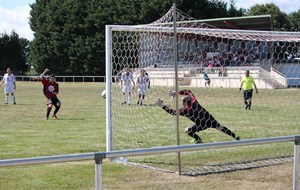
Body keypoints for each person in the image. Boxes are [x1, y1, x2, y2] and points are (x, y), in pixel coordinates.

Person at [157, 89, 240, 144]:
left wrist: (163, 106)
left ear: (185, 103)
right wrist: (178, 92)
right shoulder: (194, 102)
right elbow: (189, 91)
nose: (181, 102)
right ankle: (234, 136)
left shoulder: (185, 110)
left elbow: (173, 112)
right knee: (220, 127)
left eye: (182, 101)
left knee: (187, 130)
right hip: (209, 119)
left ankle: (198, 139)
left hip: (201, 125)